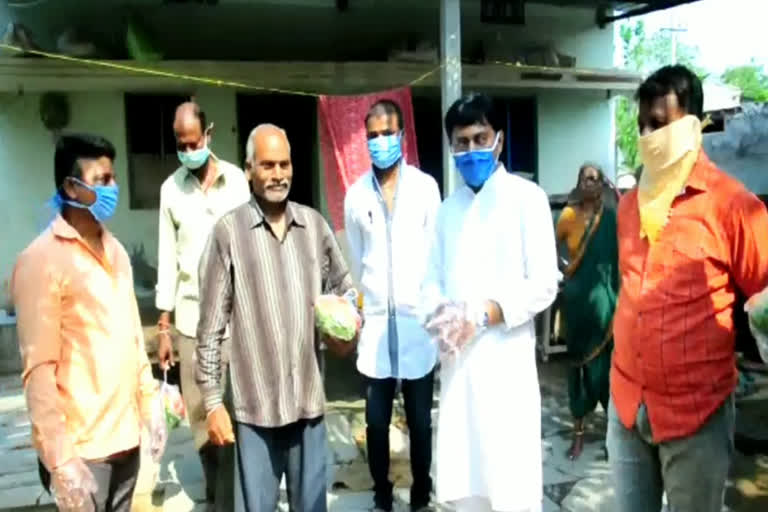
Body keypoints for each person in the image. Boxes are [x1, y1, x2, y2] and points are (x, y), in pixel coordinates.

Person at [609, 65, 768, 512]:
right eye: (642, 124)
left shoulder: (733, 205)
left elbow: (765, 288)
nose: (647, 134)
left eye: (659, 123)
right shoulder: (629, 205)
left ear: (693, 124)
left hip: (695, 415)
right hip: (626, 404)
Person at [197, 124, 355, 512]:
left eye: (284, 164)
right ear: (249, 169)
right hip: (255, 412)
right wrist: (214, 403)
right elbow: (210, 329)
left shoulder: (313, 226)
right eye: (268, 165)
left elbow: (346, 290)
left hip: (308, 406)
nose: (278, 174)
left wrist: (347, 329)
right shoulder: (228, 233)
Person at [12, 134, 167, 512]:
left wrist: (150, 407)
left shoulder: (115, 251)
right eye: (101, 181)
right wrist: (60, 458)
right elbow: (39, 371)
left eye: (113, 178)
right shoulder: (41, 261)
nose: (113, 188)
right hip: (83, 451)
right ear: (70, 186)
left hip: (126, 440)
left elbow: (132, 336)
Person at [422, 93, 560, 512]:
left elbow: (543, 283)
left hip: (506, 369)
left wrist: (484, 313)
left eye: (480, 138)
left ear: (499, 141)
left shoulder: (526, 198)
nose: (470, 151)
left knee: (510, 489)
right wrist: (440, 313)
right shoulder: (448, 211)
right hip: (459, 369)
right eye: (460, 143)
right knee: (467, 491)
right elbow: (430, 280)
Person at [344, 100, 441, 512]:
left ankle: (421, 493)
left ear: (402, 136)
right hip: (377, 331)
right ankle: (382, 496)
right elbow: (355, 256)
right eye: (373, 136)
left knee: (420, 423)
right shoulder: (355, 195)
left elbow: (436, 254)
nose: (381, 142)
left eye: (388, 133)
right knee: (376, 424)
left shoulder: (425, 188)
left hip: (418, 327)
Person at [155, 102, 249, 510]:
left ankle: (238, 493)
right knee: (199, 417)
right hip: (192, 323)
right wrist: (164, 327)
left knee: (238, 411)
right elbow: (166, 257)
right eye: (181, 143)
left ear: (208, 134)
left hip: (237, 321)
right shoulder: (170, 190)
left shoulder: (238, 182)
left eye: (194, 142)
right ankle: (216, 493)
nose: (188, 149)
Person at [555, 163, 619, 460]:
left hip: (605, 310)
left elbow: (620, 259)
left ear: (601, 184)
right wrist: (565, 273)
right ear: (579, 183)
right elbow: (549, 249)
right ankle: (577, 436)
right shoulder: (568, 217)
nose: (590, 184)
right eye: (585, 179)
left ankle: (612, 437)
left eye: (595, 179)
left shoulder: (611, 220)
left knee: (604, 373)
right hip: (576, 307)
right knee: (577, 371)